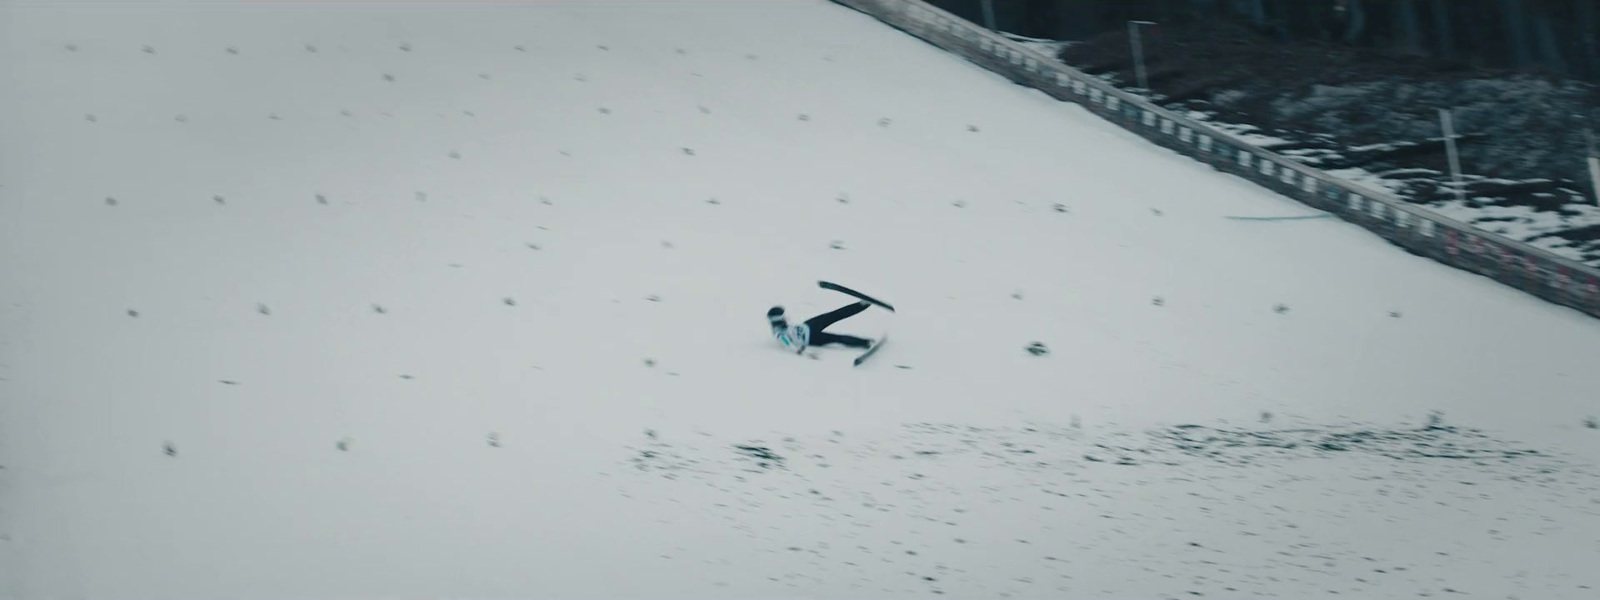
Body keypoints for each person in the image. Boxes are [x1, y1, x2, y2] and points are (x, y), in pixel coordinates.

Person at [768, 301, 873, 354]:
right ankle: (866, 343)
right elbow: (788, 345)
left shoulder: (783, 326)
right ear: (778, 320)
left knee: (834, 315)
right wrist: (800, 351)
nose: (786, 319)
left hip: (808, 325)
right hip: (812, 338)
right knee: (837, 338)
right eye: (784, 317)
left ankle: (862, 304)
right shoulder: (779, 334)